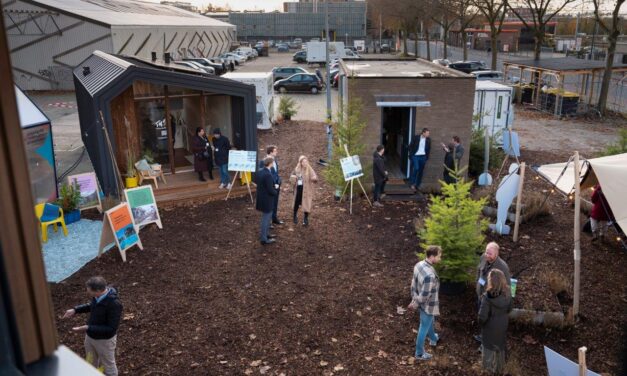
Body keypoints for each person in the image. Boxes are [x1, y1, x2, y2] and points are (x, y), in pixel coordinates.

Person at [62, 276, 123, 376]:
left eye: (90, 291)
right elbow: (91, 305)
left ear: (98, 290)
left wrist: (88, 328)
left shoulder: (114, 304)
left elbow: (111, 329)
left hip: (104, 342)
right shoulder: (97, 296)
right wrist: (75, 310)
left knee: (108, 367)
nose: (88, 293)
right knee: (90, 362)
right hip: (90, 337)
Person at [408, 245, 442, 361]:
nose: (439, 258)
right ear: (432, 257)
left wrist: (414, 298)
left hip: (420, 303)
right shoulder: (430, 276)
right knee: (423, 326)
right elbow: (424, 296)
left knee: (429, 321)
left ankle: (433, 338)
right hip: (427, 305)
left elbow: (413, 283)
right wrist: (415, 303)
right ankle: (419, 353)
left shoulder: (419, 265)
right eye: (438, 256)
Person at [475, 242, 511, 343]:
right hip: (480, 296)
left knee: (489, 322)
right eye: (486, 252)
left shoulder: (503, 267)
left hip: (492, 301)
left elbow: (507, 286)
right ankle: (482, 336)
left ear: (496, 254)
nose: (487, 255)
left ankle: (486, 342)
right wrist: (476, 285)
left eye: (490, 253)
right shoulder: (483, 257)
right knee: (482, 317)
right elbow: (478, 271)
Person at [478, 269, 513, 374]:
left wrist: (481, 323)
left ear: (491, 281)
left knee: (488, 348)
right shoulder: (508, 292)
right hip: (502, 324)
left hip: (490, 327)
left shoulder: (487, 297)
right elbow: (510, 309)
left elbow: (482, 317)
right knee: (500, 347)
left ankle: (487, 369)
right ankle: (499, 369)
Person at [258, 145, 284, 225]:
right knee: (269, 204)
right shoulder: (263, 161)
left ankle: (274, 218)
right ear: (271, 152)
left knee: (275, 203)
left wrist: (279, 180)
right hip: (269, 187)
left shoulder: (274, 160)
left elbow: (276, 173)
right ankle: (268, 223)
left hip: (276, 185)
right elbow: (262, 174)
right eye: (275, 151)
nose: (277, 152)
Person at [289, 155, 318, 226]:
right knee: (296, 202)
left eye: (306, 161)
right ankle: (294, 215)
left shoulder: (309, 169)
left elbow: (315, 177)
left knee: (306, 204)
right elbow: (291, 177)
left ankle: (305, 219)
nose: (305, 163)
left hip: (307, 189)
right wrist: (293, 178)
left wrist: (314, 178)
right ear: (301, 162)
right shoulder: (297, 169)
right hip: (298, 189)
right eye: (303, 162)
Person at [256, 157, 278, 245]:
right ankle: (264, 239)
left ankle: (266, 234)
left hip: (261, 198)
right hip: (267, 200)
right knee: (266, 219)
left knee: (266, 218)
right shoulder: (268, 174)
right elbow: (270, 189)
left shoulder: (260, 171)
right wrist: (275, 189)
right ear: (270, 163)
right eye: (272, 163)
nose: (273, 164)